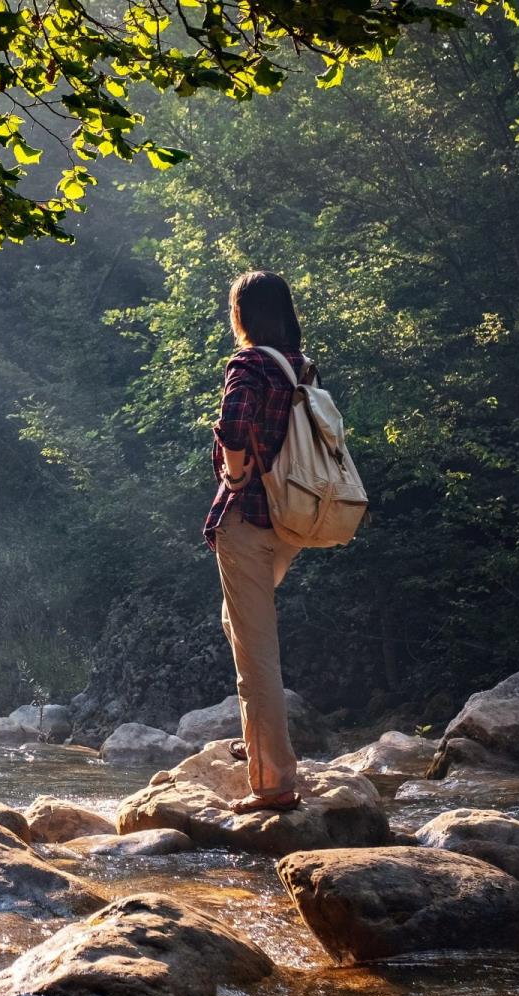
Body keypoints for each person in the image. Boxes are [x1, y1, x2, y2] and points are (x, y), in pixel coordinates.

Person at [204, 270, 310, 814]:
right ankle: (262, 739)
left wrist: (238, 475)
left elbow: (233, 420)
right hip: (289, 521)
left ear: (241, 315)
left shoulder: (249, 364)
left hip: (247, 518)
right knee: (237, 623)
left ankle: (272, 785)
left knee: (255, 657)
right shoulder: (300, 367)